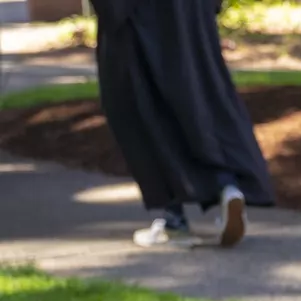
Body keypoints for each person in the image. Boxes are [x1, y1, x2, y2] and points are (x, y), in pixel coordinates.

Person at [89, 0, 274, 249]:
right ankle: (226, 185)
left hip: (137, 16)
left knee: (142, 108)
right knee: (199, 97)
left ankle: (174, 219)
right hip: (191, 13)